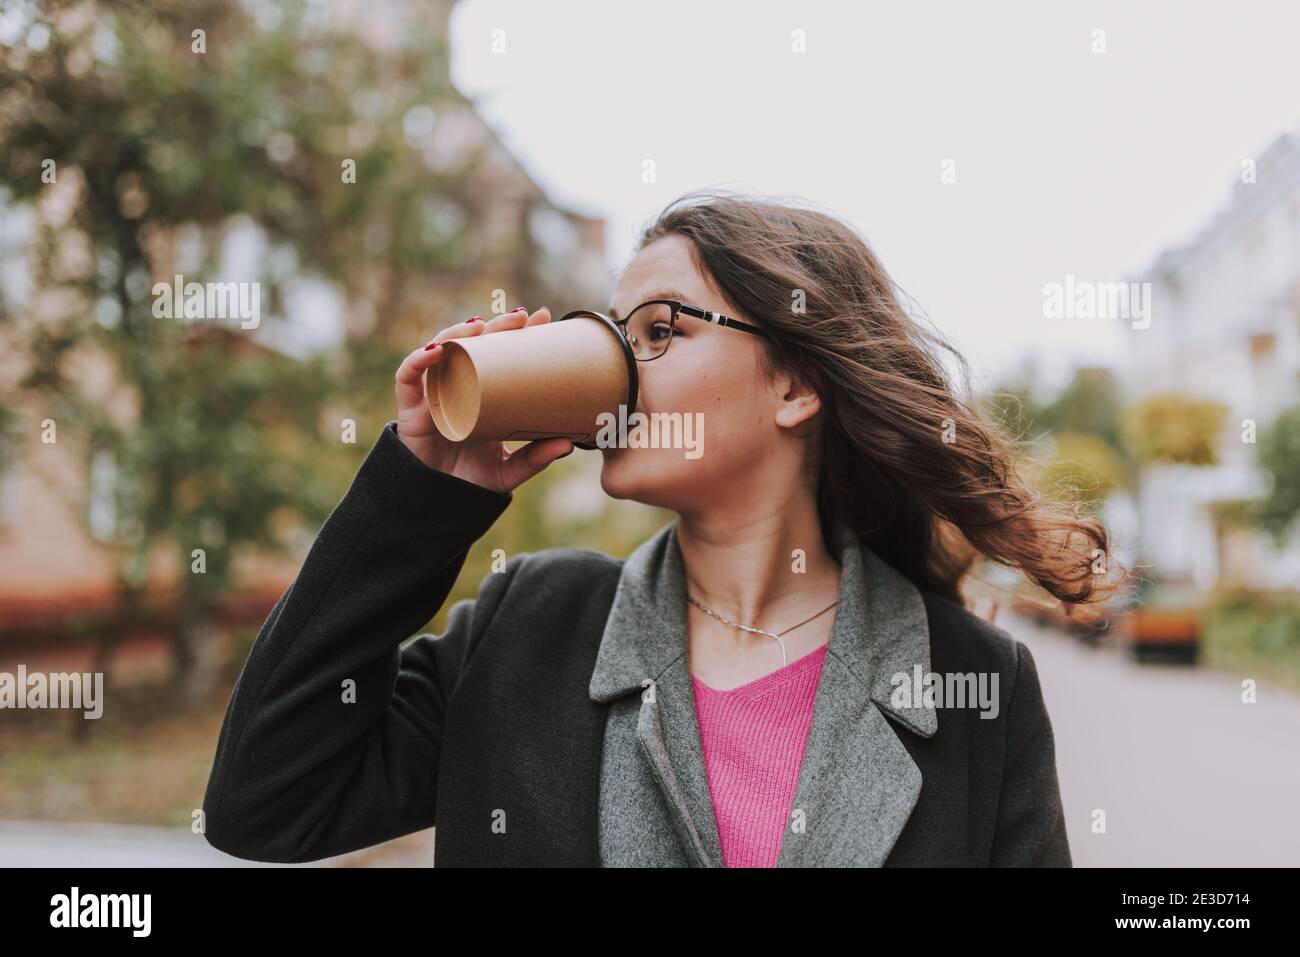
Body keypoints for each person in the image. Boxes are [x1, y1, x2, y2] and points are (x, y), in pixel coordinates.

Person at [202, 189, 1116, 867]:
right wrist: (421, 497)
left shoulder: (971, 681)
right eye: (613, 330)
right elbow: (264, 800)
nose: (617, 371)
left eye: (661, 331)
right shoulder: (533, 625)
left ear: (796, 385)